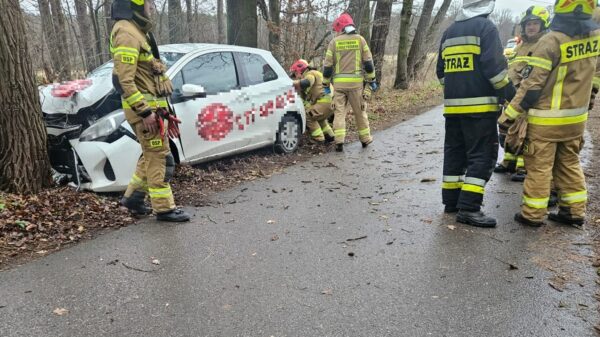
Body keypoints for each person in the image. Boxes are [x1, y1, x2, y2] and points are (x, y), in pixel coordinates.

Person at [500, 0, 600, 227]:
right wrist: (591, 96)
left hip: (546, 121)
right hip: (576, 120)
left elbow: (532, 87)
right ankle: (574, 212)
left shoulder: (551, 41)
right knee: (569, 164)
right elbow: (595, 75)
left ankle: (532, 215)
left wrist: (510, 115)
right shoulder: (594, 39)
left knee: (539, 168)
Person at [436, 0, 515, 228]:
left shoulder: (449, 32)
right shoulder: (486, 28)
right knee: (482, 155)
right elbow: (495, 71)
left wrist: (456, 88)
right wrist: (512, 94)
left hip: (452, 110)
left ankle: (452, 201)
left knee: (455, 154)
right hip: (481, 109)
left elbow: (441, 72)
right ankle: (470, 208)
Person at [111, 0, 190, 222]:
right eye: (150, 2)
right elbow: (124, 81)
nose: (153, 6)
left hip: (154, 111)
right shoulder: (126, 32)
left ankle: (133, 199)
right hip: (147, 115)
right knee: (160, 160)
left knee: (150, 158)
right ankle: (164, 209)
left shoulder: (136, 30)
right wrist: (145, 112)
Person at [495, 6, 550, 183]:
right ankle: (508, 162)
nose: (531, 27)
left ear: (543, 25)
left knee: (525, 133)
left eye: (535, 24)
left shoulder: (545, 45)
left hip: (528, 98)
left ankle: (523, 166)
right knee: (508, 130)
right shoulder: (519, 46)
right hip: (511, 95)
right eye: (528, 24)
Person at [323, 13, 377, 152]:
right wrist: (372, 80)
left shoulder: (334, 43)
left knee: (339, 113)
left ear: (340, 27)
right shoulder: (360, 40)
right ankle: (365, 139)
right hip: (356, 85)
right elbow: (369, 63)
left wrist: (325, 84)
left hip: (339, 85)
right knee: (360, 112)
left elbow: (328, 67)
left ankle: (339, 141)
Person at [290, 59, 335, 144]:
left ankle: (318, 138)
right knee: (317, 116)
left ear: (300, 70)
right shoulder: (317, 74)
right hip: (330, 103)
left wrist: (292, 83)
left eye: (295, 73)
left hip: (324, 102)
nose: (295, 76)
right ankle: (329, 135)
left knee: (307, 115)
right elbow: (305, 99)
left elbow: (306, 83)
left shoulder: (310, 73)